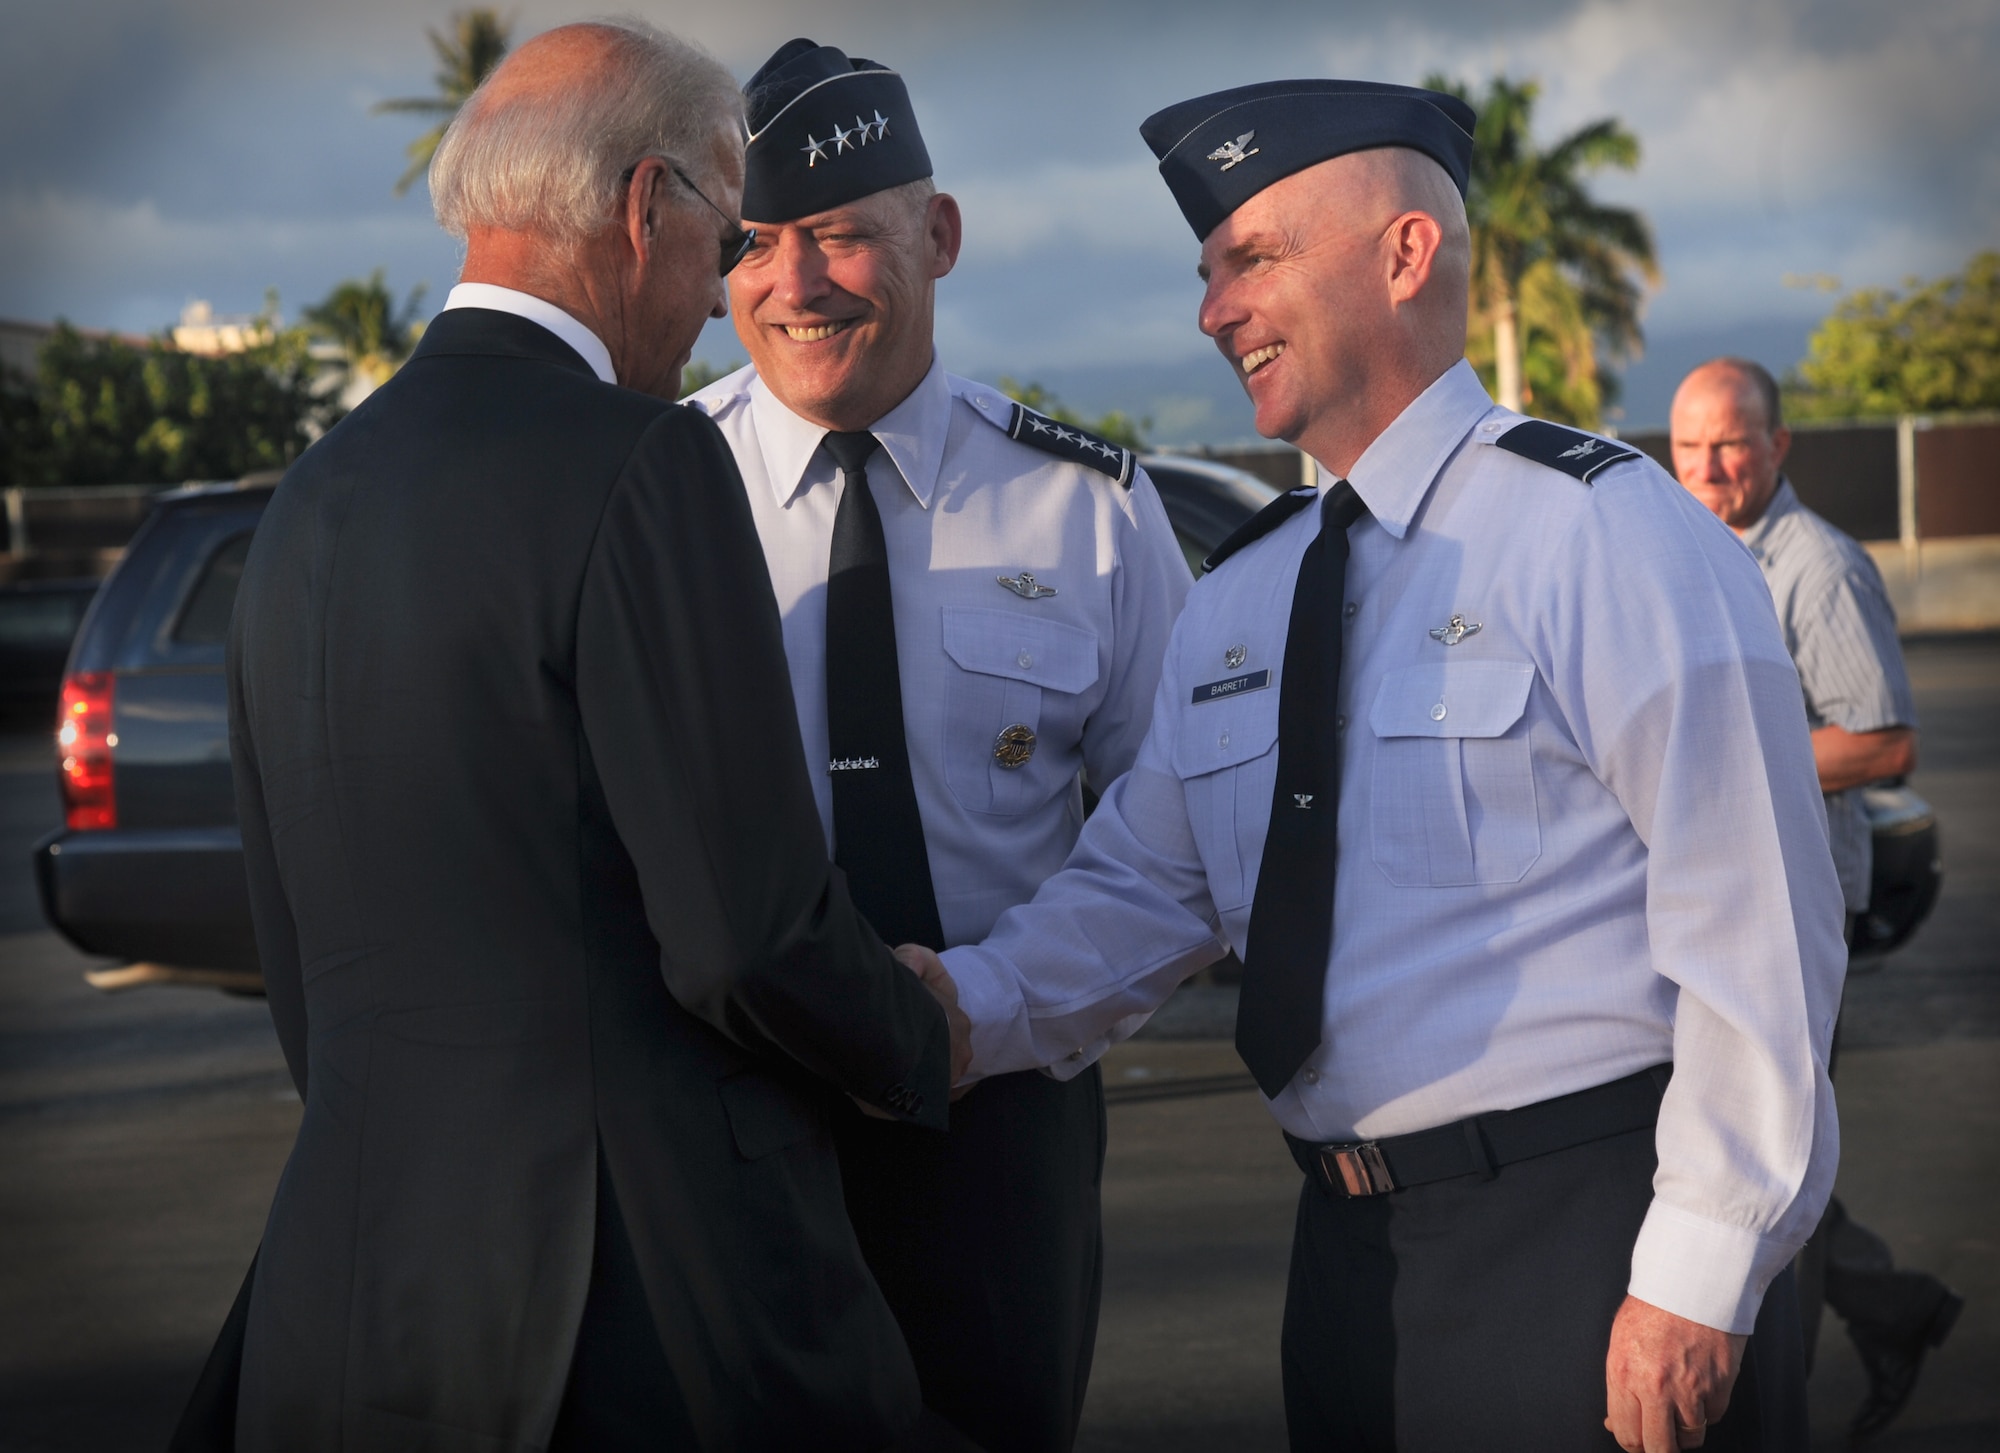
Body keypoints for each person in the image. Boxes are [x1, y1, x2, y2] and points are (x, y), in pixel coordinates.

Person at [908, 79, 1848, 1453]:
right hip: (1349, 1266)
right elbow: (1140, 895)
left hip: (1590, 1246)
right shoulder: (1240, 598)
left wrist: (1700, 1276)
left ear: (1406, 255)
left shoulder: (1604, 533)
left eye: (1253, 260)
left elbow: (1760, 927)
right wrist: (948, 1012)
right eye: (1207, 274)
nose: (1213, 310)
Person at [169, 21, 966, 1453]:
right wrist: (918, 1034)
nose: (728, 301)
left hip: (357, 1291)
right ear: (646, 205)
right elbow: (742, 930)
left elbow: (299, 946)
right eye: (726, 237)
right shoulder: (643, 459)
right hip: (637, 1301)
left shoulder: (311, 496)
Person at [681, 38, 1191, 1451]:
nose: (797, 284)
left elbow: (1187, 834)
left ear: (940, 233)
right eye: (754, 243)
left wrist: (987, 1009)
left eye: (843, 234)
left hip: (1001, 1127)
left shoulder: (1087, 510)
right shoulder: (655, 502)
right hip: (726, 1122)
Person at [1671, 357, 1963, 1442]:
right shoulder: (1703, 552)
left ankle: (1769, 1403)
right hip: (1718, 906)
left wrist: (1724, 760)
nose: (1706, 466)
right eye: (1688, 444)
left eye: (1731, 443)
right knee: (1738, 1145)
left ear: (1778, 445)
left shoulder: (1816, 567)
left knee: (1759, 1158)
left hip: (1792, 916)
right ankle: (1891, 1308)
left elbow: (1882, 739)